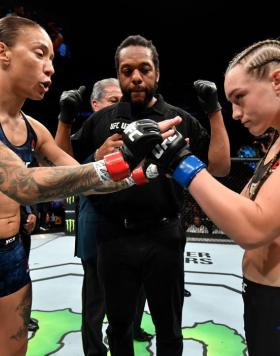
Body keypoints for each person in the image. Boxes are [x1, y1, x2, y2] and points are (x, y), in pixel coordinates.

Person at [0, 17, 179, 356]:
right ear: (2, 52)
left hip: (11, 252)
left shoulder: (32, 128)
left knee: (13, 350)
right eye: (40, 53)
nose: (50, 68)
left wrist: (143, 173)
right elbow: (23, 184)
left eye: (52, 59)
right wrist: (122, 156)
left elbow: (87, 181)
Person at [55, 34, 230, 356]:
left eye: (144, 69)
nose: (136, 77)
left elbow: (219, 168)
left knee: (168, 327)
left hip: (164, 234)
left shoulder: (180, 118)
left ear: (157, 73)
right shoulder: (101, 120)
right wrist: (67, 123)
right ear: (119, 74)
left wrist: (215, 110)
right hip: (112, 235)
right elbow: (62, 168)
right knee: (118, 326)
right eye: (127, 70)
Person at [145, 39, 280, 356]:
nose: (235, 113)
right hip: (263, 294)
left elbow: (255, 229)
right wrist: (181, 170)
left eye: (240, 98)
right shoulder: (275, 142)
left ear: (277, 80)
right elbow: (246, 205)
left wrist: (182, 162)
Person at [74, 78, 152, 355]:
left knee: (137, 289)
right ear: (95, 104)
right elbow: (64, 169)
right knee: (95, 302)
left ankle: (134, 328)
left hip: (135, 230)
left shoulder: (131, 129)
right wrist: (97, 155)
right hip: (96, 230)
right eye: (111, 100)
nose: (119, 107)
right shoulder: (85, 133)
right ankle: (94, 351)